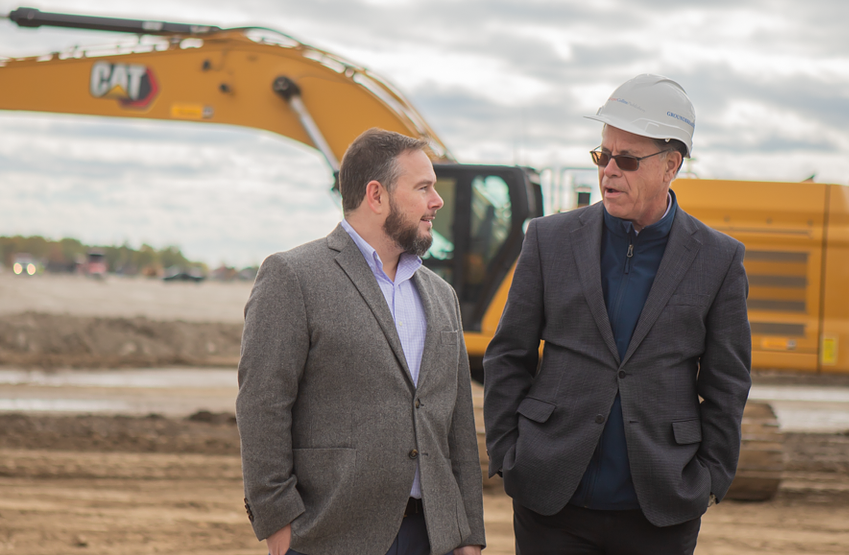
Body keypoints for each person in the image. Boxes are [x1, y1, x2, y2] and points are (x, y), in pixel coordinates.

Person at [483, 75, 752, 555]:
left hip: (661, 508)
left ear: (671, 165)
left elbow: (727, 383)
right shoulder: (548, 240)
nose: (608, 171)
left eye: (626, 160)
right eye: (602, 156)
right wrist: (509, 454)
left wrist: (708, 477)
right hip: (550, 504)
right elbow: (508, 355)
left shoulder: (719, 259)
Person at [237, 128, 485, 555]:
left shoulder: (442, 295)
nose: (437, 201)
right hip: (330, 535)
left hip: (433, 538)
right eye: (423, 188)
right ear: (376, 195)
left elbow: (457, 422)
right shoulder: (293, 277)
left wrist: (469, 534)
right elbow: (262, 406)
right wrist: (278, 523)